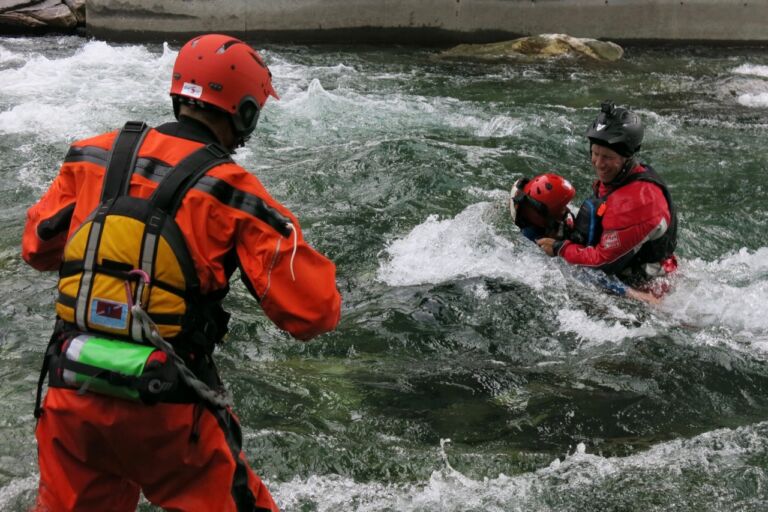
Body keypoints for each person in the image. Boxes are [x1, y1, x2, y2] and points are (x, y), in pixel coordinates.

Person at [21, 34, 341, 512]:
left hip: (72, 390)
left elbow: (36, 249)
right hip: (167, 406)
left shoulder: (89, 155)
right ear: (246, 113)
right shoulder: (236, 193)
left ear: (179, 94)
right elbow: (313, 313)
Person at [534, 100, 678, 302]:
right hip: (623, 263)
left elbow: (602, 263)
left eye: (607, 157)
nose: (599, 163)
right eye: (595, 153)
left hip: (647, 288)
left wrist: (560, 248)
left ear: (627, 158)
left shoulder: (638, 200)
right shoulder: (619, 178)